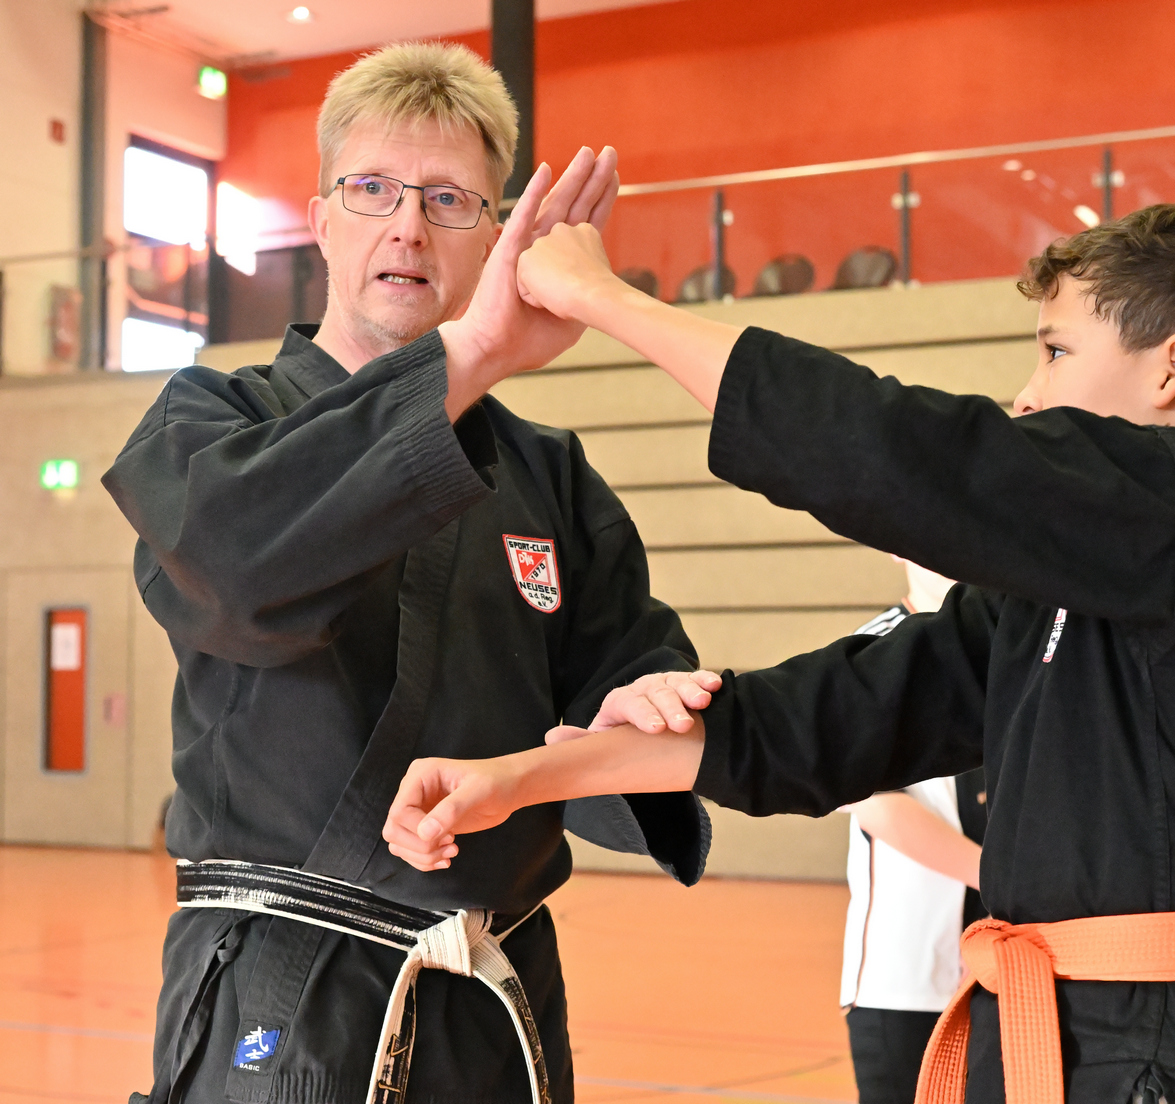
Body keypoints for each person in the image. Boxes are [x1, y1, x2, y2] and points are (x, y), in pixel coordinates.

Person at [383, 200, 1175, 1103]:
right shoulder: (1054, 596)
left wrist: (609, 299)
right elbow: (835, 720)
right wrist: (521, 777)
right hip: (1057, 1042)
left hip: (1170, 1061)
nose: (1030, 391)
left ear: (1170, 369)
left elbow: (909, 455)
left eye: (1056, 351)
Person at [104, 42, 717, 1104]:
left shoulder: (550, 475)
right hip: (285, 995)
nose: (408, 226)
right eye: (373, 189)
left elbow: (624, 690)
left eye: (448, 199)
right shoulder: (213, 422)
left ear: (494, 235)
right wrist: (471, 356)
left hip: (497, 999)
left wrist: (642, 714)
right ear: (321, 218)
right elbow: (237, 575)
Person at [841, 560, 988, 1104]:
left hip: (1005, 967)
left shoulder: (1007, 648)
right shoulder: (871, 652)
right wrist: (1000, 879)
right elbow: (878, 807)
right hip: (906, 979)